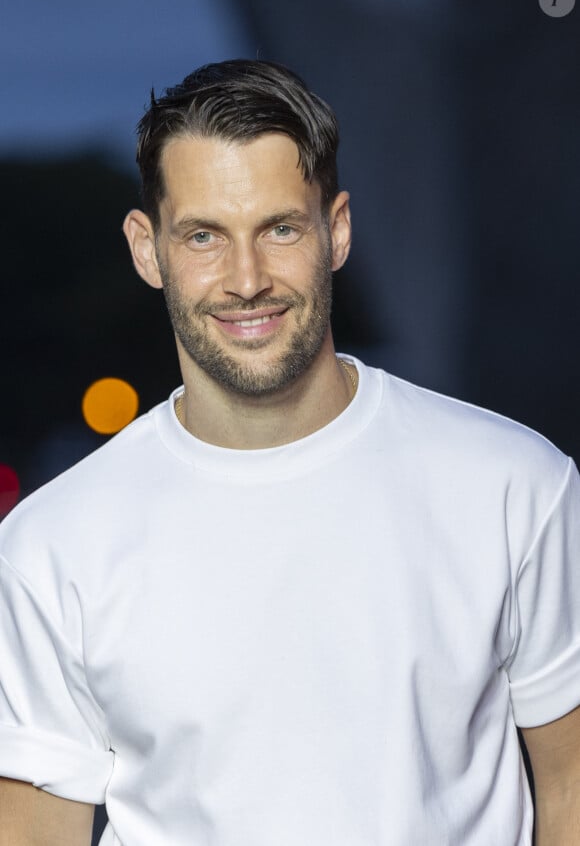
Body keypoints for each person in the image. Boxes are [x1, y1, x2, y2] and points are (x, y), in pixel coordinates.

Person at [0, 59, 579, 846]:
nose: (246, 280)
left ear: (336, 229)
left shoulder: (517, 485)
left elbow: (570, 777)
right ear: (148, 249)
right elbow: (33, 828)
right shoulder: (50, 543)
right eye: (203, 235)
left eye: (280, 228)